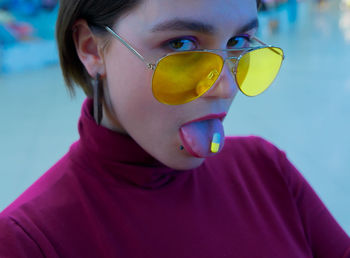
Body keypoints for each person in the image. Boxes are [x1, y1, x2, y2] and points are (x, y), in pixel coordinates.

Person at [0, 0, 349, 257]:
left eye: (239, 43)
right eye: (181, 44)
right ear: (91, 48)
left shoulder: (267, 170)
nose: (226, 87)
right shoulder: (27, 241)